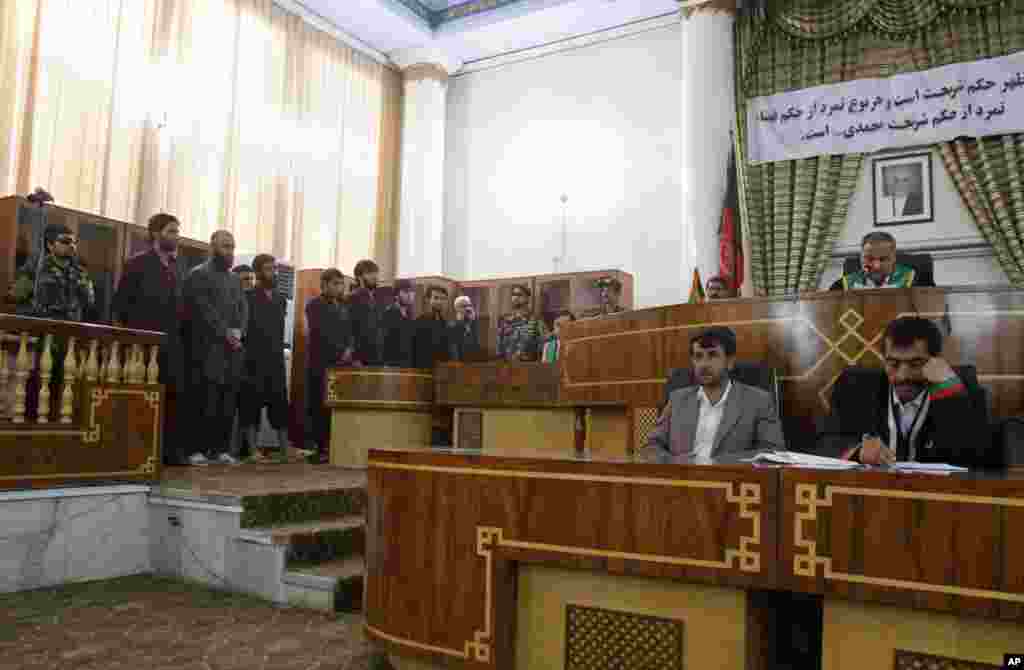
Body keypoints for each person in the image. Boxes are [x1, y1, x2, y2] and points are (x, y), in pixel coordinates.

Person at [822, 317, 987, 468]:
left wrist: (949, 391)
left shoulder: (960, 388)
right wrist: (857, 451)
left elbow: (977, 458)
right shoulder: (855, 387)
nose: (903, 376)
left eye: (916, 364)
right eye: (893, 364)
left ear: (936, 361)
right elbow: (824, 443)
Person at [640, 326, 785, 463]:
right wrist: (672, 461)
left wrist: (718, 464)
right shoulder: (677, 399)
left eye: (712, 355)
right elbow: (651, 447)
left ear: (730, 362)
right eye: (698, 356)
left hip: (732, 483)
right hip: (682, 481)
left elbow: (772, 452)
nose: (704, 364)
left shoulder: (758, 401)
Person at [112, 213, 187, 465]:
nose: (176, 236)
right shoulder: (137, 264)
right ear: (156, 233)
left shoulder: (179, 266)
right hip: (143, 344)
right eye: (171, 231)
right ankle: (138, 450)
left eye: (177, 231)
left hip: (173, 343)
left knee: (172, 396)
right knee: (142, 396)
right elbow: (121, 306)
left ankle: (169, 452)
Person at [183, 230, 247, 466]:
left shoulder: (233, 279)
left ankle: (220, 449)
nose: (230, 252)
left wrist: (239, 332)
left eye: (232, 247)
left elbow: (242, 308)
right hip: (206, 350)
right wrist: (226, 334)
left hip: (231, 352)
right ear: (213, 248)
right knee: (203, 400)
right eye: (225, 247)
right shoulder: (198, 275)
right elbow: (203, 311)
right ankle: (197, 449)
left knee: (226, 402)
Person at [239, 254, 291, 464]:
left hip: (276, 359)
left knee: (279, 403)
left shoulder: (280, 299)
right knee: (251, 404)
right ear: (259, 272)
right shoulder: (247, 296)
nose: (274, 273)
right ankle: (252, 451)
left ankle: (284, 449)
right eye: (269, 269)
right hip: (253, 359)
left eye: (275, 269)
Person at [305, 268, 356, 463]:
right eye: (335, 283)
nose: (339, 287)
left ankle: (333, 446)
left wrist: (350, 349)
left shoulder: (343, 306)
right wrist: (339, 351)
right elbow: (320, 333)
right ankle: (319, 448)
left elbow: (350, 331)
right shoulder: (314, 305)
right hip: (320, 363)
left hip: (341, 365)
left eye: (340, 284)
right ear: (324, 285)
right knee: (318, 406)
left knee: (334, 406)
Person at [24, 223, 95, 322]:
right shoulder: (35, 268)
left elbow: (89, 302)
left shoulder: (80, 271)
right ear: (50, 245)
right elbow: (17, 297)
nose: (72, 246)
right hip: (43, 327)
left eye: (74, 242)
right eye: (65, 242)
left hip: (71, 328)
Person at [830, 232, 936, 290]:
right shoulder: (842, 286)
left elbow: (932, 317)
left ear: (894, 258)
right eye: (869, 259)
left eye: (883, 259)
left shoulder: (917, 281)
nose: (876, 266)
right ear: (860, 258)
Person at [348, 259, 383, 366]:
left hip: (377, 357)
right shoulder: (351, 298)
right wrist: (354, 358)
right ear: (359, 277)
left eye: (376, 272)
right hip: (359, 358)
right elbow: (349, 330)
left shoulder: (378, 300)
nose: (375, 276)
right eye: (369, 273)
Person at [497, 284, 543, 362]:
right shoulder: (505, 321)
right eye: (513, 294)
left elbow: (544, 343)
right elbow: (499, 347)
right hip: (508, 366)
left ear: (527, 298)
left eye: (519, 295)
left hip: (528, 366)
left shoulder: (535, 320)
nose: (515, 297)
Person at [413, 285, 452, 369]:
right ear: (428, 300)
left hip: (442, 371)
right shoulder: (420, 321)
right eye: (436, 298)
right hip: (423, 370)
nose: (440, 302)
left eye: (443, 299)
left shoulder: (445, 323)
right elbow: (415, 351)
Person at [380, 279, 417, 367]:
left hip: (407, 363)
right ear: (396, 295)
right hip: (392, 364)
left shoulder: (410, 314)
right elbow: (384, 342)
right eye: (406, 292)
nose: (410, 295)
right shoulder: (389, 313)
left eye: (412, 292)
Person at [448, 295, 480, 361]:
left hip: (473, 362)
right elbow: (453, 350)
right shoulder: (452, 326)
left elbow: (476, 345)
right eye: (464, 306)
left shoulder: (472, 325)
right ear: (457, 308)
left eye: (470, 305)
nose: (468, 309)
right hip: (459, 364)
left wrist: (472, 322)